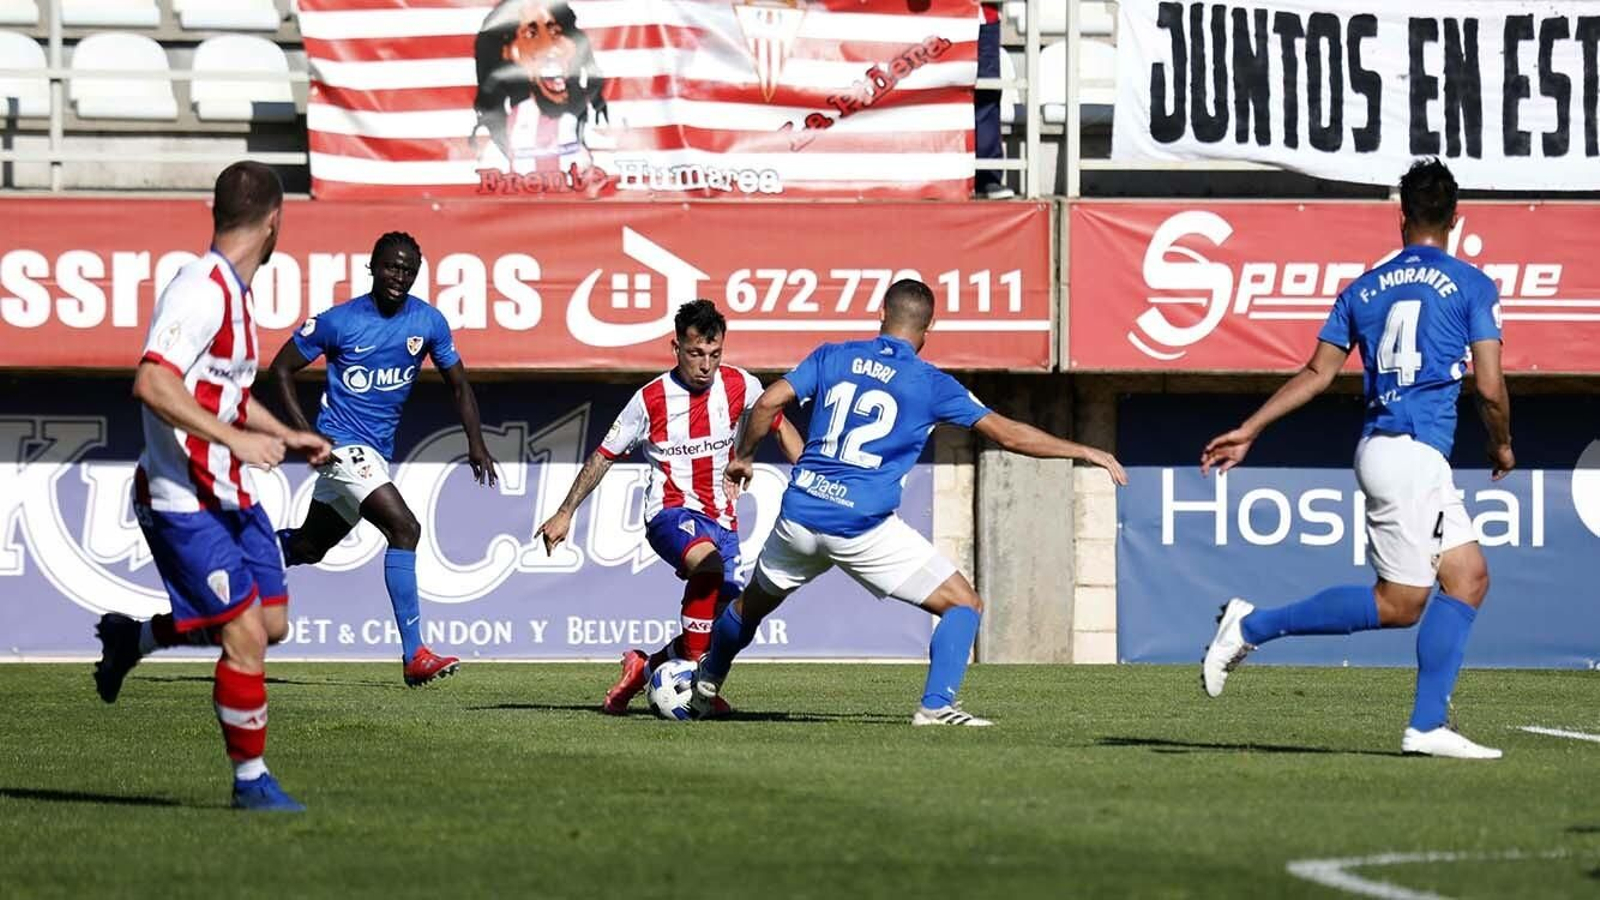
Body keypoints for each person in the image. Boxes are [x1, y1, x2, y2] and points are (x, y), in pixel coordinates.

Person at [689, 279, 1127, 725]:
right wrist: (1082, 450)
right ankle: (937, 706)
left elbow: (767, 404)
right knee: (963, 604)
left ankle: (706, 684)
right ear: (929, 327)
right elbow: (1007, 433)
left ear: (882, 313)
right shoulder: (932, 384)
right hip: (859, 527)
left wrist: (742, 458)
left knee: (749, 608)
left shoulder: (832, 356)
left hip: (799, 514)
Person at [1199, 159, 1511, 760]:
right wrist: (1500, 443)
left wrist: (1250, 428)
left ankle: (1427, 725)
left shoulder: (1363, 287)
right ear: (1456, 219)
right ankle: (1250, 626)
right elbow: (1491, 387)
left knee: (1468, 578)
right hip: (1412, 454)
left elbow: (1318, 372)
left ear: (1402, 219)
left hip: (1393, 451)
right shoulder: (1473, 285)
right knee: (1400, 605)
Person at [97, 161, 331, 811]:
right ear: (275, 222)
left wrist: (287, 432)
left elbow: (221, 393)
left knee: (272, 623)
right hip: (183, 499)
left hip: (231, 493)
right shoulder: (200, 288)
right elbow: (153, 382)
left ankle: (136, 638)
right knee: (246, 636)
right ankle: (251, 783)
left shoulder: (235, 290)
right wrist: (236, 440)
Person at [535, 300, 804, 715]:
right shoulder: (650, 399)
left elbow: (780, 425)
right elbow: (604, 454)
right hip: (670, 512)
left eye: (715, 355)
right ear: (675, 347)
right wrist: (566, 510)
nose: (706, 365)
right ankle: (698, 686)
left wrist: (808, 481)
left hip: (724, 520)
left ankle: (642, 670)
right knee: (709, 567)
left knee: (727, 626)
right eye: (696, 353)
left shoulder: (740, 386)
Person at [266, 231, 499, 686]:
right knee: (405, 528)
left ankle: (246, 549)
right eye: (392, 267)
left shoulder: (428, 322)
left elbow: (458, 383)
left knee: (311, 548)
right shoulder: (339, 321)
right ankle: (415, 656)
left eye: (409, 270)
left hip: (372, 453)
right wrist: (308, 435)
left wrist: (476, 442)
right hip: (342, 446)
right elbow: (281, 368)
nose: (399, 277)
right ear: (372, 267)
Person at [473, 0, 608, 182]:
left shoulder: (595, 118)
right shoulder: (502, 128)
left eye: (555, 31)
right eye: (531, 33)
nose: (549, 47)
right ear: (506, 52)